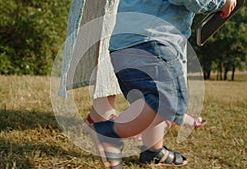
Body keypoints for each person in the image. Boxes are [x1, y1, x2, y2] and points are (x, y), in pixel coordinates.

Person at [89, 0, 237, 168]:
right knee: (169, 101)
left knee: (151, 102)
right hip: (151, 40)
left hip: (123, 43)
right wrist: (219, 3)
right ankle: (109, 133)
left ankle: (152, 151)